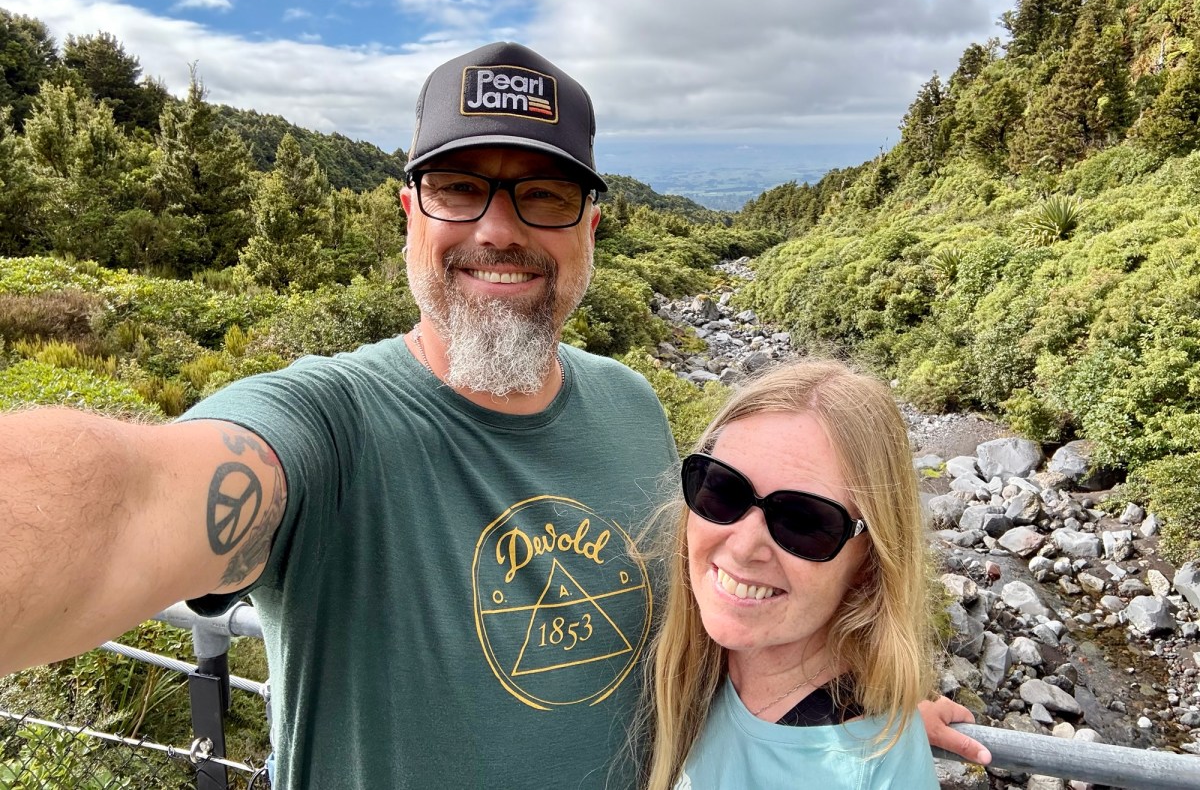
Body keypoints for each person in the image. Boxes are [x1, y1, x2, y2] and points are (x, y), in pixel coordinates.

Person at [0, 42, 986, 788]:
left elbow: (689, 635)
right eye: (460, 188)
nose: (499, 230)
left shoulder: (634, 409)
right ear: (409, 214)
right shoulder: (328, 422)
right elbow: (128, 504)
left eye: (544, 196)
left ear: (591, 227)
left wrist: (855, 726)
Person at [643, 360, 941, 789]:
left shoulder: (864, 771)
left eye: (802, 521)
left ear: (869, 562)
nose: (744, 546)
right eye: (722, 490)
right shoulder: (695, 667)